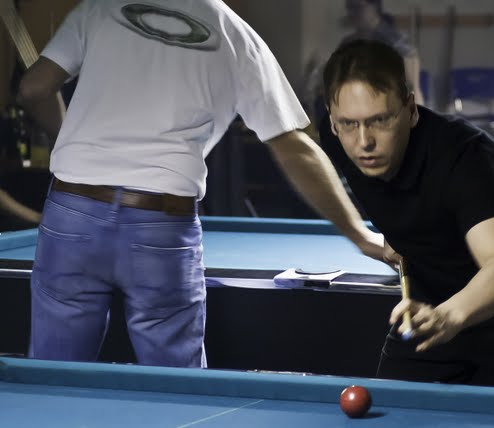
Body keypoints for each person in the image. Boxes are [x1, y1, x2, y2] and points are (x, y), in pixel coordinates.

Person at [17, 0, 383, 368]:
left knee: (52, 372)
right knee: (177, 386)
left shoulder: (100, 7)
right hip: (159, 221)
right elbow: (294, 148)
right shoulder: (236, 35)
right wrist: (361, 236)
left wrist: (77, 148)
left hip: (73, 210)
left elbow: (33, 88)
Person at [318, 39, 494, 390]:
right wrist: (378, 236)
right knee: (393, 407)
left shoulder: (464, 156)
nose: (364, 141)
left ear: (411, 109)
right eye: (349, 124)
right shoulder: (337, 138)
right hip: (436, 297)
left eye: (380, 120)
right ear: (333, 121)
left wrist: (448, 315)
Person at [340, 0, 424, 106]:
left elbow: (413, 89)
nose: (352, 13)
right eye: (349, 8)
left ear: (374, 7)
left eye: (358, 7)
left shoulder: (396, 42)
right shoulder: (347, 44)